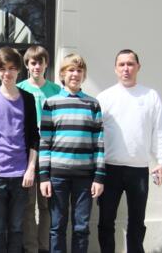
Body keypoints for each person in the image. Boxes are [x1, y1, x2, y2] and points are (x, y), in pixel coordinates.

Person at [97, 49, 162, 253]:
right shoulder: (105, 97)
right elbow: (96, 135)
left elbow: (161, 130)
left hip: (138, 170)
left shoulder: (151, 96)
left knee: (137, 222)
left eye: (130, 64)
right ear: (115, 69)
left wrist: (161, 162)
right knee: (105, 221)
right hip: (109, 169)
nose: (126, 68)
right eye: (121, 64)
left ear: (138, 67)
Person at [39, 54, 105, 253]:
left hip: (85, 178)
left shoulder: (93, 104)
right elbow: (45, 142)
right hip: (57, 176)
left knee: (81, 228)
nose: (75, 74)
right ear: (62, 74)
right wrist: (43, 177)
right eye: (70, 70)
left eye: (79, 70)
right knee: (56, 227)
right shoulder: (51, 103)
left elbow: (99, 143)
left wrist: (99, 177)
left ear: (84, 75)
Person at [0, 46, 39, 253]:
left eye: (12, 68)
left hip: (22, 175)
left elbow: (33, 137)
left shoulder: (28, 99)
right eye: (3, 68)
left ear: (19, 70)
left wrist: (30, 169)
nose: (7, 73)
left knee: (16, 228)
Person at [17, 45, 60, 253]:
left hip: (50, 153)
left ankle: (45, 248)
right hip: (26, 153)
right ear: (27, 65)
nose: (36, 66)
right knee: (27, 206)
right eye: (32, 62)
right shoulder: (20, 88)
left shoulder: (56, 90)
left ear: (46, 64)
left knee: (46, 205)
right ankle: (31, 248)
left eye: (40, 62)